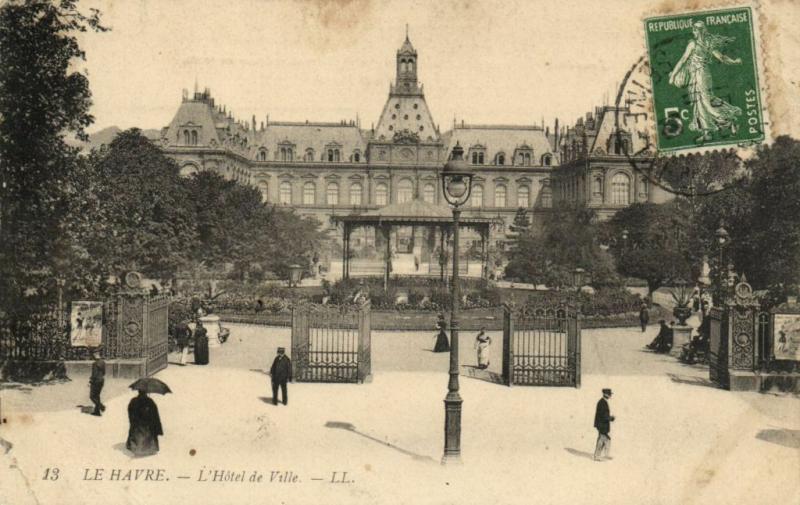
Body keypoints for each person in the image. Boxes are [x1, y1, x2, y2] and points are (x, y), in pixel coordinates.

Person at [668, 20, 743, 143]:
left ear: (699, 31)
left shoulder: (693, 44)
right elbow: (722, 58)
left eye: (695, 29)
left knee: (705, 103)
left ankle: (730, 121)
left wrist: (673, 76)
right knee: (702, 102)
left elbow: (682, 60)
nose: (694, 31)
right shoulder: (708, 44)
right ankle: (707, 133)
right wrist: (734, 61)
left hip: (699, 76)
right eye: (694, 29)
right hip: (703, 75)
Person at [126, 391, 163, 456]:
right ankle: (148, 448)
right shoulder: (150, 402)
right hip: (148, 428)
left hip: (136, 428)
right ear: (146, 392)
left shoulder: (133, 401)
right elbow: (155, 416)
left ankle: (136, 447)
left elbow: (130, 413)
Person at [593, 388, 615, 461]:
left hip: (602, 424)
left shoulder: (603, 402)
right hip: (602, 425)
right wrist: (610, 418)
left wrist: (609, 418)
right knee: (602, 440)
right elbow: (603, 415)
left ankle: (605, 455)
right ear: (605, 394)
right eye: (609, 394)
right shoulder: (602, 403)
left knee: (606, 440)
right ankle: (597, 456)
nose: (610, 396)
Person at [89, 349, 106, 416]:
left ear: (95, 354)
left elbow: (94, 374)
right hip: (101, 380)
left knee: (92, 396)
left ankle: (101, 407)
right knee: (97, 396)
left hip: (96, 381)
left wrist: (90, 381)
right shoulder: (103, 362)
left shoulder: (95, 364)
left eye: (93, 354)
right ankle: (97, 412)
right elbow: (104, 372)